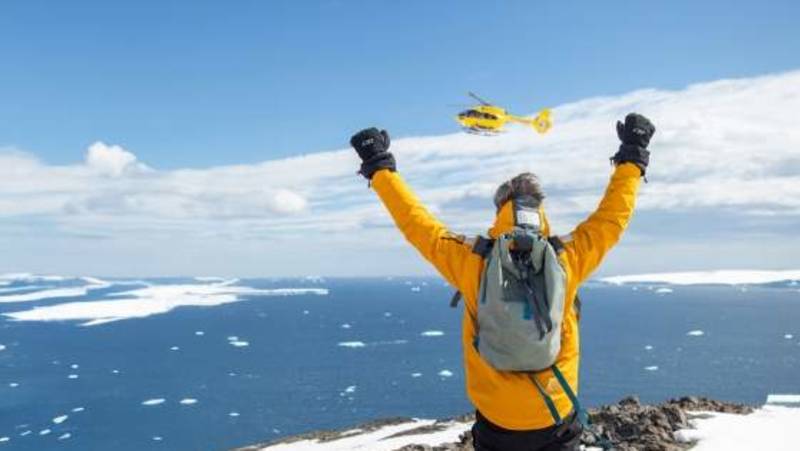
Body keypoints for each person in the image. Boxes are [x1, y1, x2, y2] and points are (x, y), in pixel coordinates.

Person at [349, 113, 656, 451]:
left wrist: (378, 165)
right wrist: (632, 154)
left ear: (500, 210)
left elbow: (416, 223)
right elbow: (612, 218)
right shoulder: (566, 258)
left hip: (497, 421)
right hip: (554, 416)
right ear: (540, 210)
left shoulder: (473, 260)